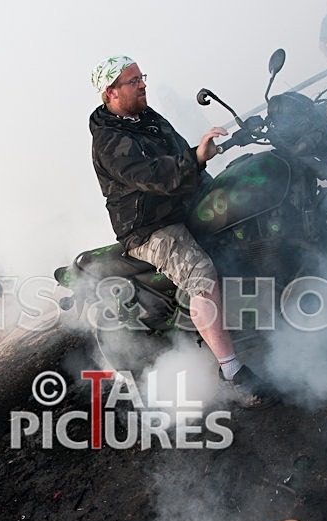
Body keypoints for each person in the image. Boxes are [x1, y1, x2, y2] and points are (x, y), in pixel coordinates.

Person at [89, 55, 277, 407]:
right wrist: (196, 158)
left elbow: (178, 154)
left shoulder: (146, 117)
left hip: (183, 201)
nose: (143, 83)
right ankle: (231, 370)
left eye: (141, 77)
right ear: (111, 93)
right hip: (150, 225)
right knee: (202, 275)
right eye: (133, 81)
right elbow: (153, 174)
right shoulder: (110, 140)